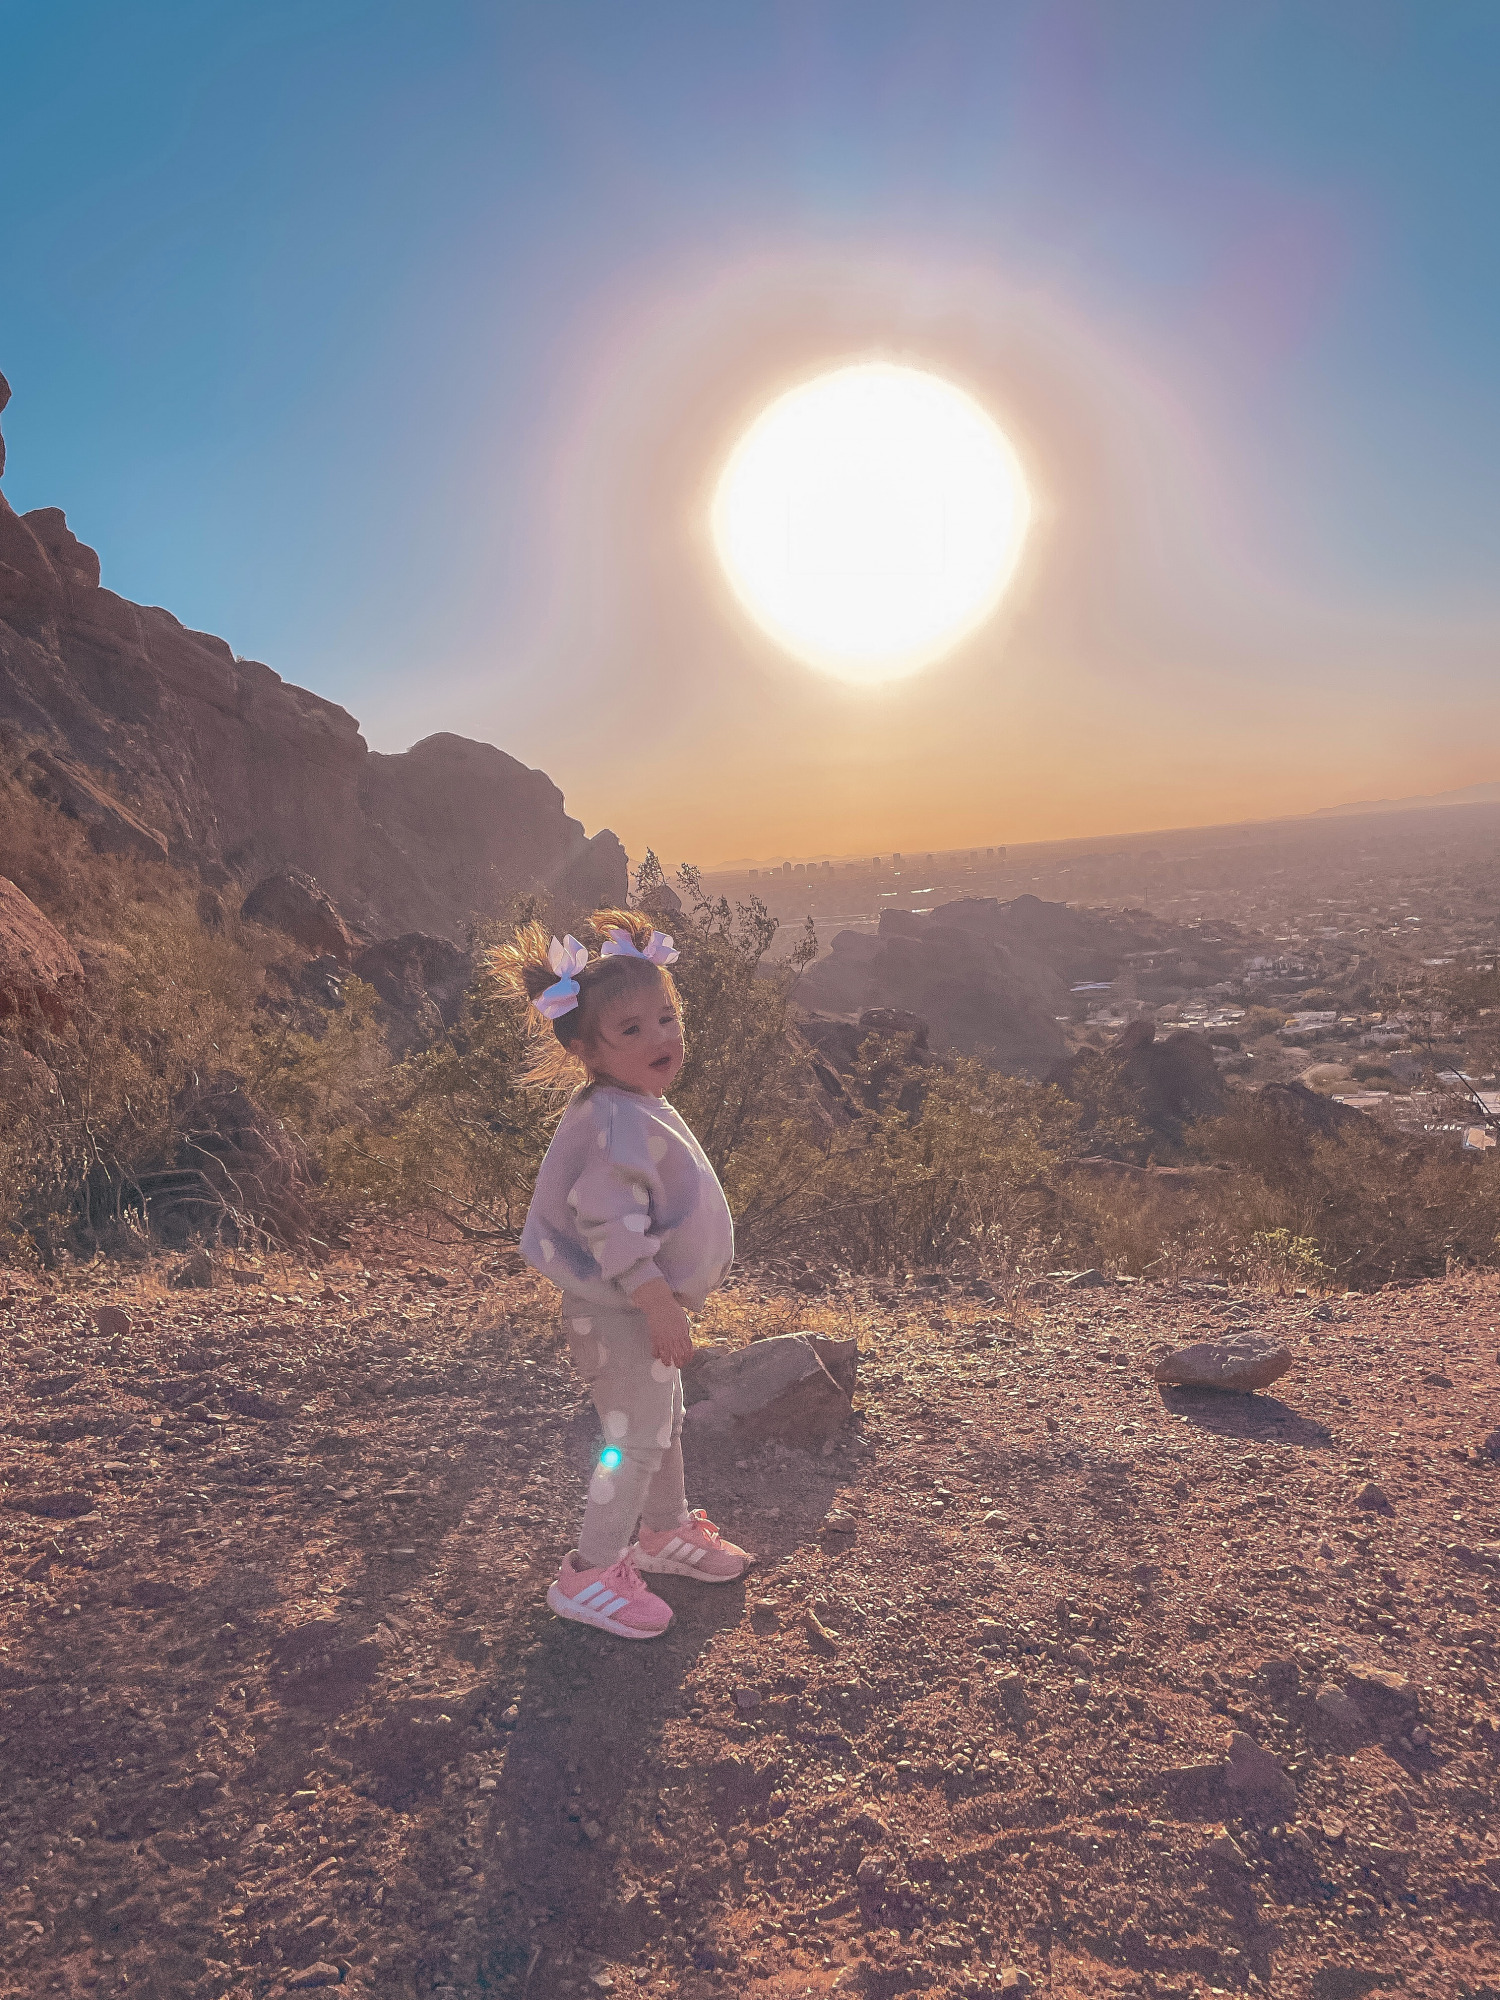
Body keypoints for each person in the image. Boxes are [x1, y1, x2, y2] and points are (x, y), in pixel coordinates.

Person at [493, 908, 750, 1640]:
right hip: (623, 1308)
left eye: (666, 1018)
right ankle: (588, 1573)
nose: (660, 1037)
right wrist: (657, 1301)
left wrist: (661, 1302)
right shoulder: (612, 1121)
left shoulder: (633, 1105)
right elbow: (609, 1225)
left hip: (640, 1306)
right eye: (631, 1029)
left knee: (659, 1423)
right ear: (588, 1050)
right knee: (633, 1438)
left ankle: (662, 1533)